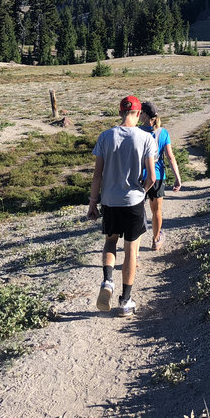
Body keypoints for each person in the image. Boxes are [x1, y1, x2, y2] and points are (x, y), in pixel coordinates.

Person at [88, 95, 157, 317]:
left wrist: (93, 202)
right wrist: (141, 193)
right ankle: (125, 302)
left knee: (110, 242)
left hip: (109, 201)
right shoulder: (146, 138)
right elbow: (152, 177)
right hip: (133, 202)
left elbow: (97, 175)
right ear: (138, 114)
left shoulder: (106, 137)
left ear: (120, 112)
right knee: (131, 251)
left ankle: (108, 281)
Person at [139, 101, 182, 251]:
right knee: (156, 211)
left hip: (139, 177)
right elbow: (170, 157)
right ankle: (156, 239)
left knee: (138, 212)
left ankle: (134, 249)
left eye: (140, 112)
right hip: (157, 176)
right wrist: (177, 177)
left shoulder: (137, 131)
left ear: (144, 114)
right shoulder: (163, 132)